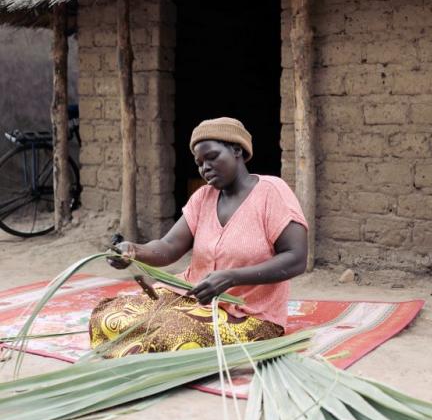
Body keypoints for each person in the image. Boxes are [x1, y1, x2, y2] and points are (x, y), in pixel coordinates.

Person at [89, 117, 308, 357]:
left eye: (212, 157)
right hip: (192, 299)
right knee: (108, 318)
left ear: (237, 150)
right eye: (200, 163)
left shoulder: (271, 192)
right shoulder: (203, 197)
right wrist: (134, 250)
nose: (205, 168)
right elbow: (169, 246)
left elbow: (296, 258)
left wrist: (231, 278)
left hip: (248, 314)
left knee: (172, 338)